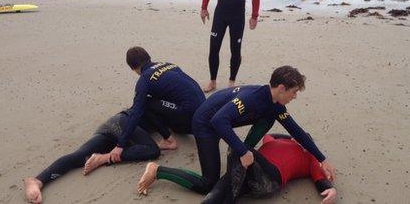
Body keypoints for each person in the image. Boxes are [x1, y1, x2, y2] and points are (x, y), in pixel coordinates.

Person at [137, 66, 336, 196]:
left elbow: (297, 131)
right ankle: (157, 171)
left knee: (268, 117)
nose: (295, 97)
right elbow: (218, 120)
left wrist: (322, 159)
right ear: (282, 88)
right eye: (294, 92)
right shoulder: (253, 98)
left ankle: (243, 151)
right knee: (208, 183)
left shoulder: (274, 104)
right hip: (206, 124)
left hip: (223, 121)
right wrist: (242, 151)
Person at [24, 112, 160, 204]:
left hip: (119, 124)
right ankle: (36, 181)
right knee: (151, 150)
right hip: (121, 124)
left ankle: (37, 181)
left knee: (80, 156)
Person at [109, 46, 206, 162]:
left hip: (190, 119)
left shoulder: (145, 79)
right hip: (204, 110)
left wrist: (120, 145)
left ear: (133, 68)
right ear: (148, 57)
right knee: (158, 96)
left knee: (146, 102)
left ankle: (169, 141)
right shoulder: (168, 64)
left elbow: (136, 112)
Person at [202, 133, 337, 204]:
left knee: (239, 148)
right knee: (227, 183)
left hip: (271, 178)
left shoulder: (310, 156)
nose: (303, 142)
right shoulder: (271, 140)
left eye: (307, 140)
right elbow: (273, 134)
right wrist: (291, 137)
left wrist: (330, 190)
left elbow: (319, 178)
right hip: (251, 175)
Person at [201, 0, 260, 92]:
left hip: (237, 16)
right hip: (220, 14)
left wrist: (254, 16)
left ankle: (231, 82)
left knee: (235, 50)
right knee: (213, 48)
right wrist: (203, 7)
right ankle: (213, 81)